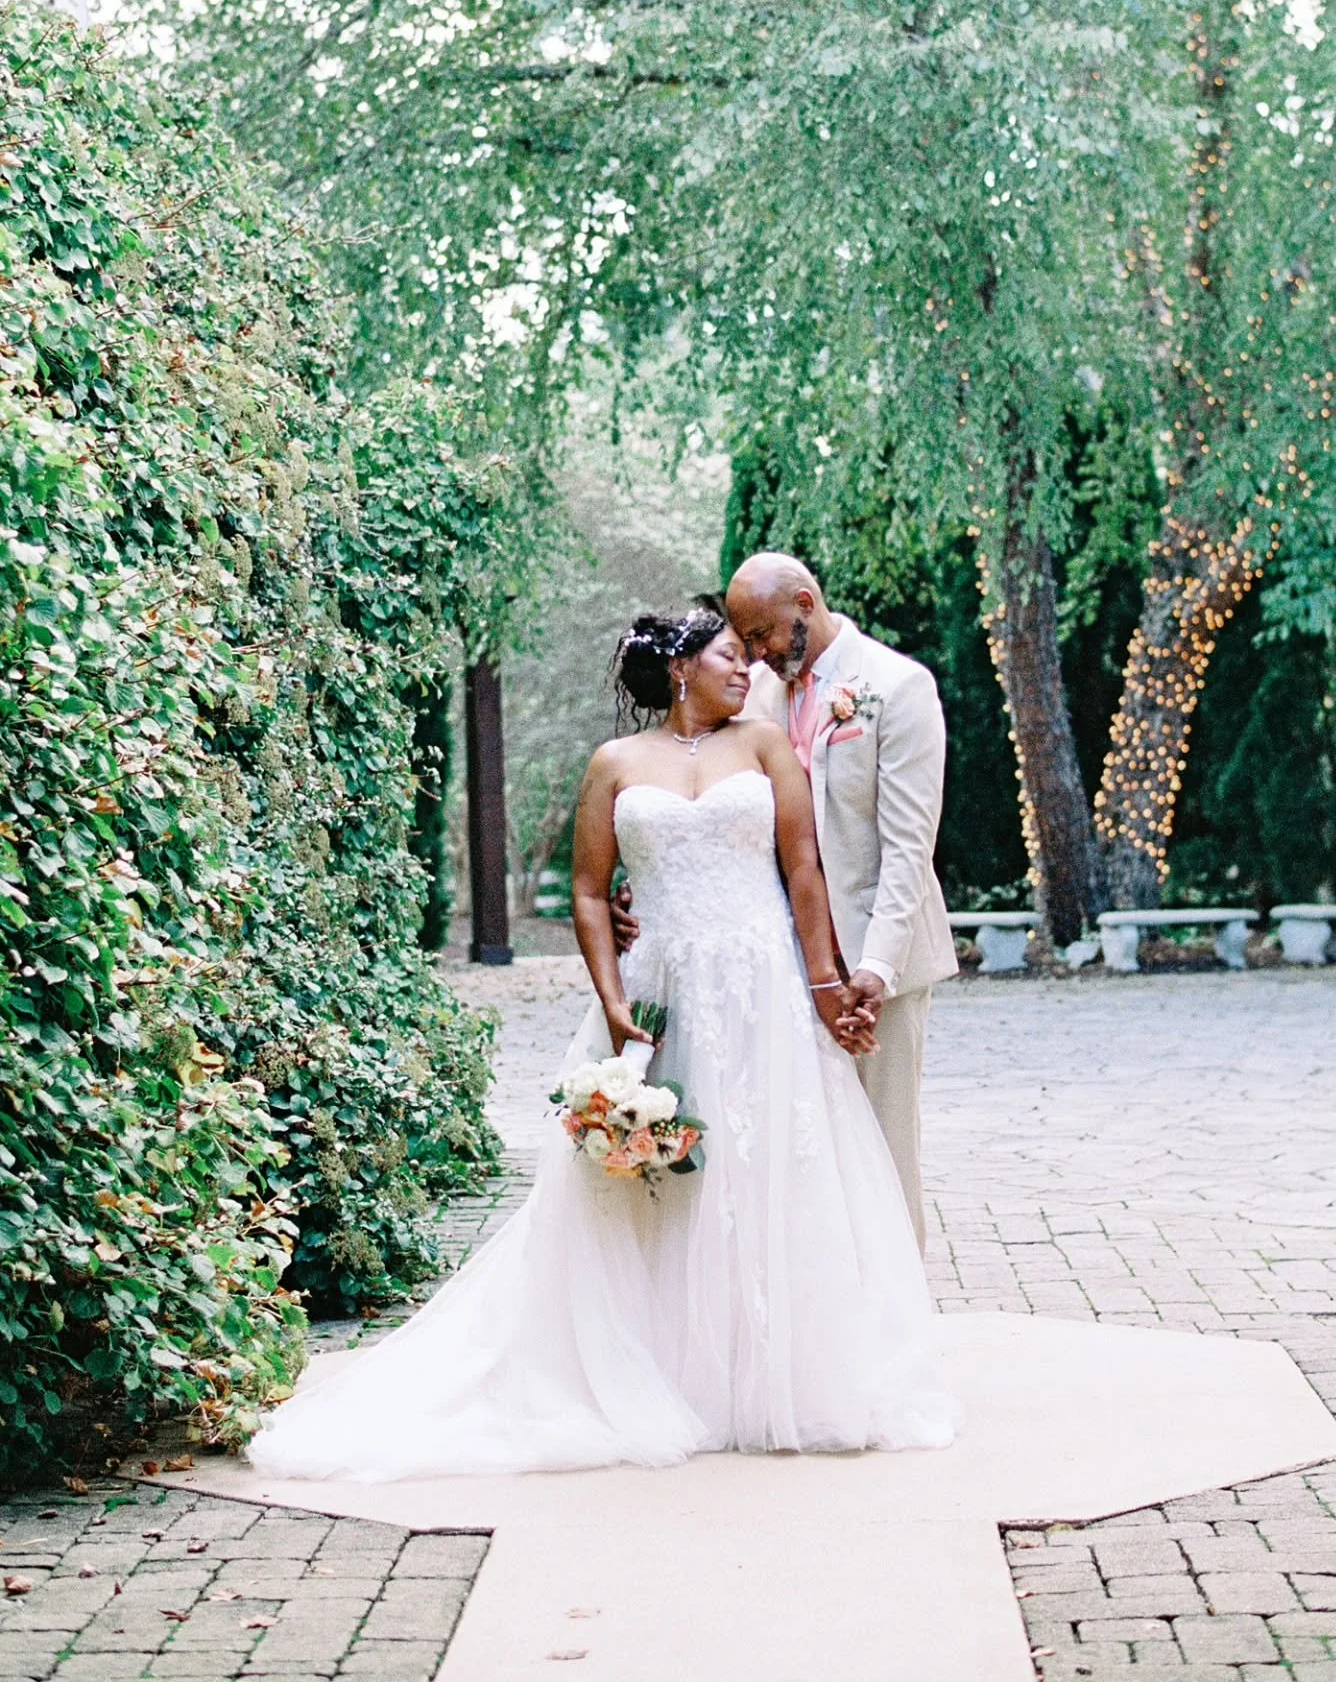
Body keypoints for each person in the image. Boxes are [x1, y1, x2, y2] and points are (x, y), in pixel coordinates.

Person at [247, 604, 952, 1480]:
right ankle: (659, 1366)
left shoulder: (766, 745)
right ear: (679, 669)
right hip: (661, 991)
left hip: (763, 985)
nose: (747, 670)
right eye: (730, 657)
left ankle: (773, 1371)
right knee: (659, 1180)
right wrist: (614, 1004)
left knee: (772, 1166)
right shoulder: (615, 763)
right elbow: (589, 889)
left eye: (748, 655)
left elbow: (802, 866)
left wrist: (823, 987)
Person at [620, 556, 957, 1251]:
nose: (755, 654)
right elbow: (705, 804)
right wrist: (649, 882)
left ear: (805, 603)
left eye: (762, 634)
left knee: (883, 1149)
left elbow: (907, 849)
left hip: (874, 961)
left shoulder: (897, 687)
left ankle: (897, 1306)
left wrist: (876, 970)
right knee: (804, 1156)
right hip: (781, 960)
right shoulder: (755, 698)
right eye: (743, 641)